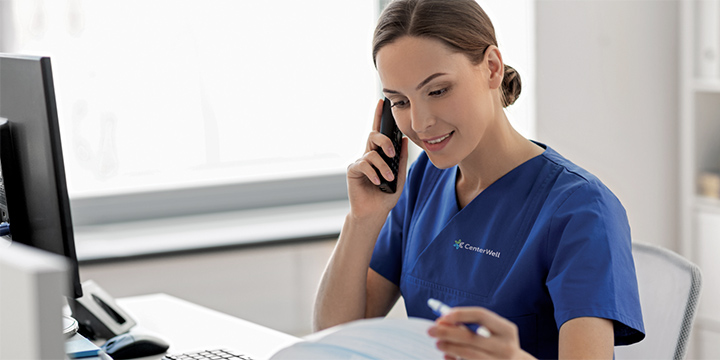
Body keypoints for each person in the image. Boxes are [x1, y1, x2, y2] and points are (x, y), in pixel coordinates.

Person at [313, 0, 645, 358]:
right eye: (400, 102)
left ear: (491, 68)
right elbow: (334, 339)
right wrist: (362, 219)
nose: (420, 123)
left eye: (437, 91)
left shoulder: (581, 210)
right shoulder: (421, 180)